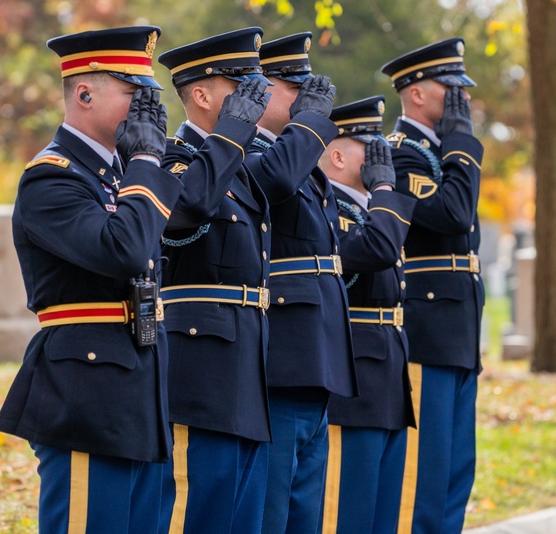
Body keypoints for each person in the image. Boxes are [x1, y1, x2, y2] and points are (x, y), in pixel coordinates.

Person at [0, 25, 183, 534]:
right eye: (133, 94)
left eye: (151, 96)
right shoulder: (51, 177)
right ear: (84, 93)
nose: (149, 109)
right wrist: (145, 158)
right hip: (87, 391)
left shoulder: (120, 175)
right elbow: (122, 249)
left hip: (142, 384)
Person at [154, 28, 274, 533]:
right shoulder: (171, 158)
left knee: (241, 513)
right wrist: (232, 134)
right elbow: (187, 206)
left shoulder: (239, 164)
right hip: (202, 358)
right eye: (240, 87)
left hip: (246, 350)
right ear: (201, 96)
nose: (256, 98)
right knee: (204, 505)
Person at [252, 32, 359, 534]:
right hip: (283, 357)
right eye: (293, 87)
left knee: (304, 512)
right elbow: (272, 182)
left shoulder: (298, 158)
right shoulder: (248, 151)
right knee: (273, 509)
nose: (307, 99)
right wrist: (313, 125)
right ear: (260, 89)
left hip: (316, 354)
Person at [380, 37, 485, 533]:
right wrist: (463, 143)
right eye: (451, 89)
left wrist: (457, 146)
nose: (460, 100)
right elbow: (451, 214)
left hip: (457, 329)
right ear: (417, 93)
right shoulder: (401, 155)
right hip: (426, 331)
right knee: (425, 474)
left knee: (454, 471)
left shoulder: (439, 154)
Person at [318, 96, 417, 534]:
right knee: (346, 511)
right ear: (337, 156)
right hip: (354, 383)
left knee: (384, 513)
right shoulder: (330, 211)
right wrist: (382, 190)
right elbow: (376, 250)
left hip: (387, 374)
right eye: (369, 147)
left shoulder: (367, 210)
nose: (383, 160)